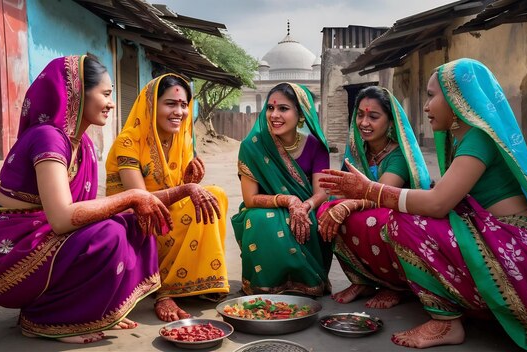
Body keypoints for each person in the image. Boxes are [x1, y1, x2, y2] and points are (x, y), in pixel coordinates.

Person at [319, 58, 527, 350]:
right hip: (506, 243)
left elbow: (437, 204)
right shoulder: (463, 141)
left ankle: (446, 321)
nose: (425, 106)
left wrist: (369, 190)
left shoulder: (479, 139)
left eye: (432, 95)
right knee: (406, 217)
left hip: (524, 255)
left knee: (404, 222)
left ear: (458, 97)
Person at [0, 55, 169, 344]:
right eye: (105, 94)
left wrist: (177, 192)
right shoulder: (48, 138)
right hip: (9, 257)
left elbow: (86, 215)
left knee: (136, 224)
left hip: (45, 240)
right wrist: (131, 196)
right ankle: (48, 319)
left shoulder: (85, 145)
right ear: (77, 93)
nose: (112, 103)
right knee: (110, 234)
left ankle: (98, 311)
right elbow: (64, 218)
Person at [105, 73, 228, 322]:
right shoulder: (128, 141)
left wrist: (190, 183)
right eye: (170, 104)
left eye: (184, 105)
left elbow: (176, 190)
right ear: (152, 105)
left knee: (216, 195)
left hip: (164, 214)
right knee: (195, 200)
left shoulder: (181, 139)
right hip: (134, 220)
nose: (179, 112)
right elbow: (137, 199)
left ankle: (196, 280)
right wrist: (186, 190)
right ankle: (165, 289)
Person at [316, 86, 431, 308]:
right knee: (327, 210)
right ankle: (362, 280)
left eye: (373, 116)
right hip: (366, 212)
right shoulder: (358, 151)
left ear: (390, 122)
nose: (364, 122)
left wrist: (347, 206)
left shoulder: (398, 155)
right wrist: (337, 204)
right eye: (360, 115)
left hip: (394, 216)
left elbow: (383, 194)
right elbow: (342, 192)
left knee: (374, 219)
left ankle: (397, 286)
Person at [231, 82, 332, 296]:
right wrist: (288, 200)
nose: (274, 115)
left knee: (320, 217)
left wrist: (304, 205)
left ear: (301, 114)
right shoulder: (253, 146)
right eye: (270, 108)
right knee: (260, 219)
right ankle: (266, 283)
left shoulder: (315, 146)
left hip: (306, 207)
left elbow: (322, 192)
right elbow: (250, 199)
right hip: (266, 206)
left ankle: (304, 282)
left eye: (283, 109)